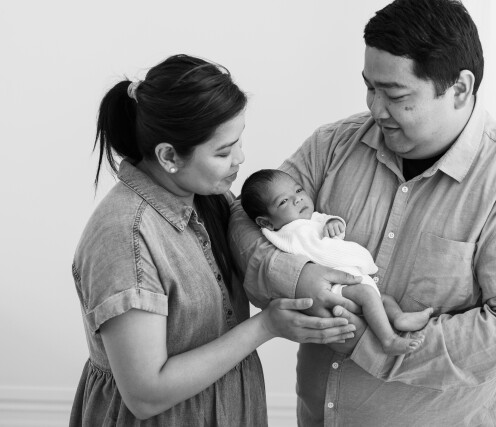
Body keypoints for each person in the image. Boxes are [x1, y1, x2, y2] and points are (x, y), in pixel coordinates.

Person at [229, 0, 496, 425]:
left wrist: (367, 344)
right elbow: (244, 221)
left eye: (394, 95)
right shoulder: (332, 145)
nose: (375, 109)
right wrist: (300, 279)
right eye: (370, 88)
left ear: (460, 89)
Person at [69, 54, 359, 426]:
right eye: (223, 151)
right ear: (169, 156)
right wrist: (266, 326)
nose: (241, 158)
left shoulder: (210, 198)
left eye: (238, 141)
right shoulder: (125, 236)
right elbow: (145, 395)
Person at [240, 169, 434, 355]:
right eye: (283, 201)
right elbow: (314, 252)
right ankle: (388, 340)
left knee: (383, 298)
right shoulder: (284, 233)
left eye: (298, 190)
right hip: (332, 287)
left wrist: (334, 223)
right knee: (368, 294)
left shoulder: (313, 218)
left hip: (350, 281)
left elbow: (327, 221)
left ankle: (399, 318)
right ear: (266, 222)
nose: (297, 199)